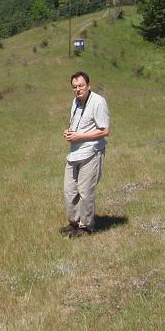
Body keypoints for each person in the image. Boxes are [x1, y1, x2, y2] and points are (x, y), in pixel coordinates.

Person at [60, 71, 109, 238]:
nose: (77, 89)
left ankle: (86, 227)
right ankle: (74, 222)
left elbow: (105, 130)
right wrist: (69, 132)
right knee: (69, 190)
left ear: (88, 86)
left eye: (81, 86)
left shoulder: (98, 102)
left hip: (92, 152)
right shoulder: (75, 102)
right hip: (74, 153)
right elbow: (76, 123)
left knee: (85, 191)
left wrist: (80, 136)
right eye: (74, 87)